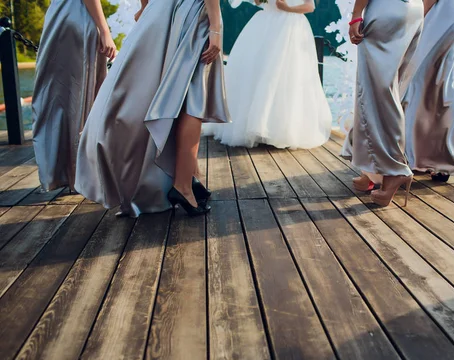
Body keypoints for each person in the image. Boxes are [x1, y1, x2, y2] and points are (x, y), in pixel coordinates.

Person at [75, 0, 229, 217]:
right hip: (190, 12)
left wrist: (146, 7)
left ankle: (190, 178)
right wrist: (215, 27)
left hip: (157, 13)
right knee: (193, 96)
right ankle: (183, 185)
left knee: (150, 94)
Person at [204, 0, 331, 149]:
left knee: (286, 76)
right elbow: (258, 2)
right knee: (260, 74)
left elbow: (309, 7)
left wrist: (287, 8)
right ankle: (255, 128)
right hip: (266, 25)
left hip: (292, 27)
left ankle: (280, 129)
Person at [340, 0, 423, 207]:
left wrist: (357, 14)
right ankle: (372, 170)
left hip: (387, 9)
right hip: (413, 10)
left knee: (375, 92)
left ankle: (394, 170)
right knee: (388, 89)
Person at [32, 0, 116, 192]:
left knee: (57, 97)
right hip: (80, 18)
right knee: (80, 100)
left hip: (58, 17)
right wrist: (104, 30)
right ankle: (78, 175)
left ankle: (62, 173)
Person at [403, 0, 454, 183]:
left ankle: (412, 159)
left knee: (417, 81)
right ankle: (445, 160)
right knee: (447, 87)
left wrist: (417, 18)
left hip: (445, 11)